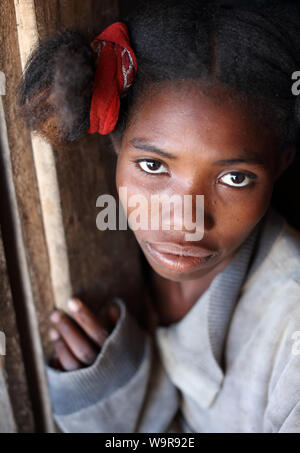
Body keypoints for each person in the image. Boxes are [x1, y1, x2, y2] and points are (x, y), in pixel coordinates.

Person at [17, 0, 300, 433]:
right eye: (153, 167)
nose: (184, 220)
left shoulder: (291, 342)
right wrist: (115, 391)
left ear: (282, 163)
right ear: (116, 142)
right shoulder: (119, 271)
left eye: (235, 177)